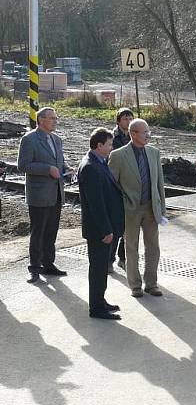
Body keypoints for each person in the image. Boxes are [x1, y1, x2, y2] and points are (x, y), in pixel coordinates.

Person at [108, 118, 167, 298]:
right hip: (130, 210)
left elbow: (159, 183)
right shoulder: (118, 155)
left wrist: (161, 208)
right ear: (133, 134)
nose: (148, 135)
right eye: (144, 132)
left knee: (153, 247)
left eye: (148, 131)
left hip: (150, 208)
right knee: (131, 247)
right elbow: (111, 185)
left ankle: (152, 283)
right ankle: (135, 285)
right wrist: (117, 209)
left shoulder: (154, 153)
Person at [16, 107, 71, 284]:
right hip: (39, 195)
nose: (55, 121)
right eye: (52, 118)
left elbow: (59, 161)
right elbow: (23, 165)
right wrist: (47, 170)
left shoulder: (57, 139)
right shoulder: (30, 139)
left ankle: (48, 264)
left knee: (51, 231)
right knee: (38, 231)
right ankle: (34, 268)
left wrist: (66, 168)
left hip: (55, 193)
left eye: (56, 118)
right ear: (41, 120)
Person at [77, 128, 125, 320]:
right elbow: (96, 204)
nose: (111, 148)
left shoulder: (99, 161)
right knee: (97, 269)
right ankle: (96, 308)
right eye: (109, 144)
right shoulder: (90, 166)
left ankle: (100, 300)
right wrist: (106, 230)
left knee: (101, 267)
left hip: (105, 227)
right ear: (99, 146)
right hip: (99, 230)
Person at [109, 108, 134, 270]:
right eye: (125, 118)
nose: (128, 121)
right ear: (119, 121)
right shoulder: (112, 137)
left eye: (131, 118)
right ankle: (109, 259)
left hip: (130, 186)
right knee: (115, 228)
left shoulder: (134, 135)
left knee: (129, 227)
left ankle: (123, 258)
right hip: (116, 186)